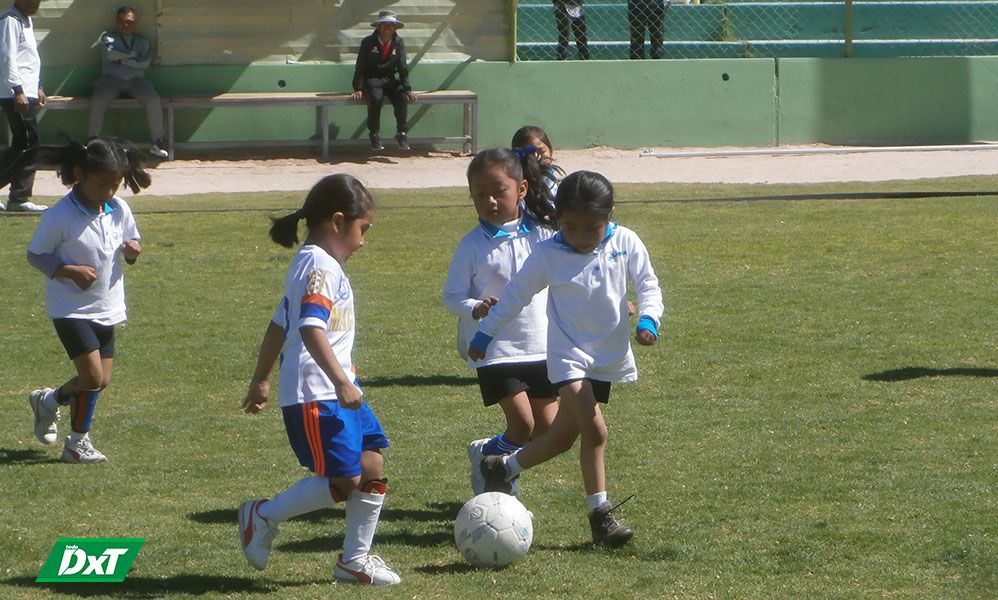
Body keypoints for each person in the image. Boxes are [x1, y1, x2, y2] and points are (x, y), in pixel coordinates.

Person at [469, 170, 663, 547]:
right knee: (596, 431)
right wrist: (485, 333)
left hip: (604, 359)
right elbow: (515, 296)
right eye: (570, 226)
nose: (580, 236)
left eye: (591, 228)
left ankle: (500, 467)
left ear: (609, 217)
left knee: (561, 439)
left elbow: (648, 284)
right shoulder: (549, 254)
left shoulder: (626, 242)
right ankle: (600, 516)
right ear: (559, 220)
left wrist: (649, 318)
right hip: (566, 358)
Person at [238, 174, 400, 586]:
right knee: (346, 479)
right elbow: (310, 327)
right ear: (338, 221)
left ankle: (353, 561)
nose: (363, 242)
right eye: (363, 230)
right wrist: (342, 382)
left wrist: (260, 379)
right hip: (318, 392)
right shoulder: (320, 267)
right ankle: (263, 515)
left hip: (338, 391)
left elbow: (279, 324)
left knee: (371, 463)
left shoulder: (312, 264)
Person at [443, 147, 561, 497]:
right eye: (480, 194)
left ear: (522, 189)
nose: (490, 200)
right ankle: (498, 474)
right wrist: (476, 308)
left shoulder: (543, 235)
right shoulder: (471, 245)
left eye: (499, 191)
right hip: (493, 348)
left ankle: (490, 453)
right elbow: (451, 297)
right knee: (522, 424)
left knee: (547, 431)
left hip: (540, 344)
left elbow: (566, 274)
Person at [25, 136, 151, 463]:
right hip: (70, 308)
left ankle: (49, 401)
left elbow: (130, 239)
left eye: (116, 184)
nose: (109, 191)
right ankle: (77, 443)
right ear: (79, 174)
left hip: (108, 305)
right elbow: (36, 255)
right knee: (92, 377)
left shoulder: (118, 208)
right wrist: (68, 271)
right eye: (102, 184)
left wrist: (133, 252)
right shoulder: (59, 216)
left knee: (100, 381)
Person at [88, 6, 168, 159]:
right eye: (122, 22)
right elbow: (110, 55)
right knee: (98, 99)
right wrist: (131, 58)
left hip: (136, 81)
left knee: (153, 99)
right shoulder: (108, 38)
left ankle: (157, 142)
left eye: (130, 22)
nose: (126, 25)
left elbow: (145, 64)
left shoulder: (143, 42)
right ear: (117, 22)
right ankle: (92, 142)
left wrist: (121, 59)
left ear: (136, 23)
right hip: (110, 81)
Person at [0, 0, 47, 212]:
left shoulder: (26, 21)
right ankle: (19, 197)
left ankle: (19, 198)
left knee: (28, 143)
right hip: (14, 93)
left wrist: (37, 87)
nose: (33, 4)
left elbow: (28, 59)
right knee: (26, 143)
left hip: (26, 91)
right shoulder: (10, 20)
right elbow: (6, 58)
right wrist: (18, 90)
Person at [351, 11, 417, 152]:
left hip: (389, 79)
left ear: (395, 28)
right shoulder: (368, 42)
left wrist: (407, 88)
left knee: (401, 96)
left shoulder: (398, 42)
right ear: (379, 27)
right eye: (385, 25)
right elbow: (360, 65)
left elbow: (402, 66)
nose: (388, 28)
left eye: (391, 25)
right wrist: (358, 88)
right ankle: (374, 134)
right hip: (372, 79)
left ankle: (402, 133)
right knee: (376, 98)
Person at [512, 125, 564, 214]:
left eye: (541, 151)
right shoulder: (517, 185)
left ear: (550, 150)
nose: (536, 156)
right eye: (530, 153)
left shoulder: (558, 179)